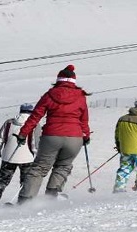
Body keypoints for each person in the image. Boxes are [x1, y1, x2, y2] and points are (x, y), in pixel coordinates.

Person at [14, 64, 91, 203]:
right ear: (74, 80)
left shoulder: (49, 95)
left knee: (40, 168)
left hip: (52, 136)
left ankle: (25, 200)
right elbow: (84, 119)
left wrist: (22, 134)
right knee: (63, 165)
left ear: (58, 79)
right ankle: (51, 197)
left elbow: (35, 117)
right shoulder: (81, 96)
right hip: (75, 138)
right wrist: (86, 136)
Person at [0, 103, 41, 203]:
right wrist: (37, 156)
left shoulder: (8, 122)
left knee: (1, 182)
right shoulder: (35, 124)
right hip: (27, 159)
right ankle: (23, 204)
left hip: (8, 158)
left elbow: (0, 139)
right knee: (26, 183)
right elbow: (35, 143)